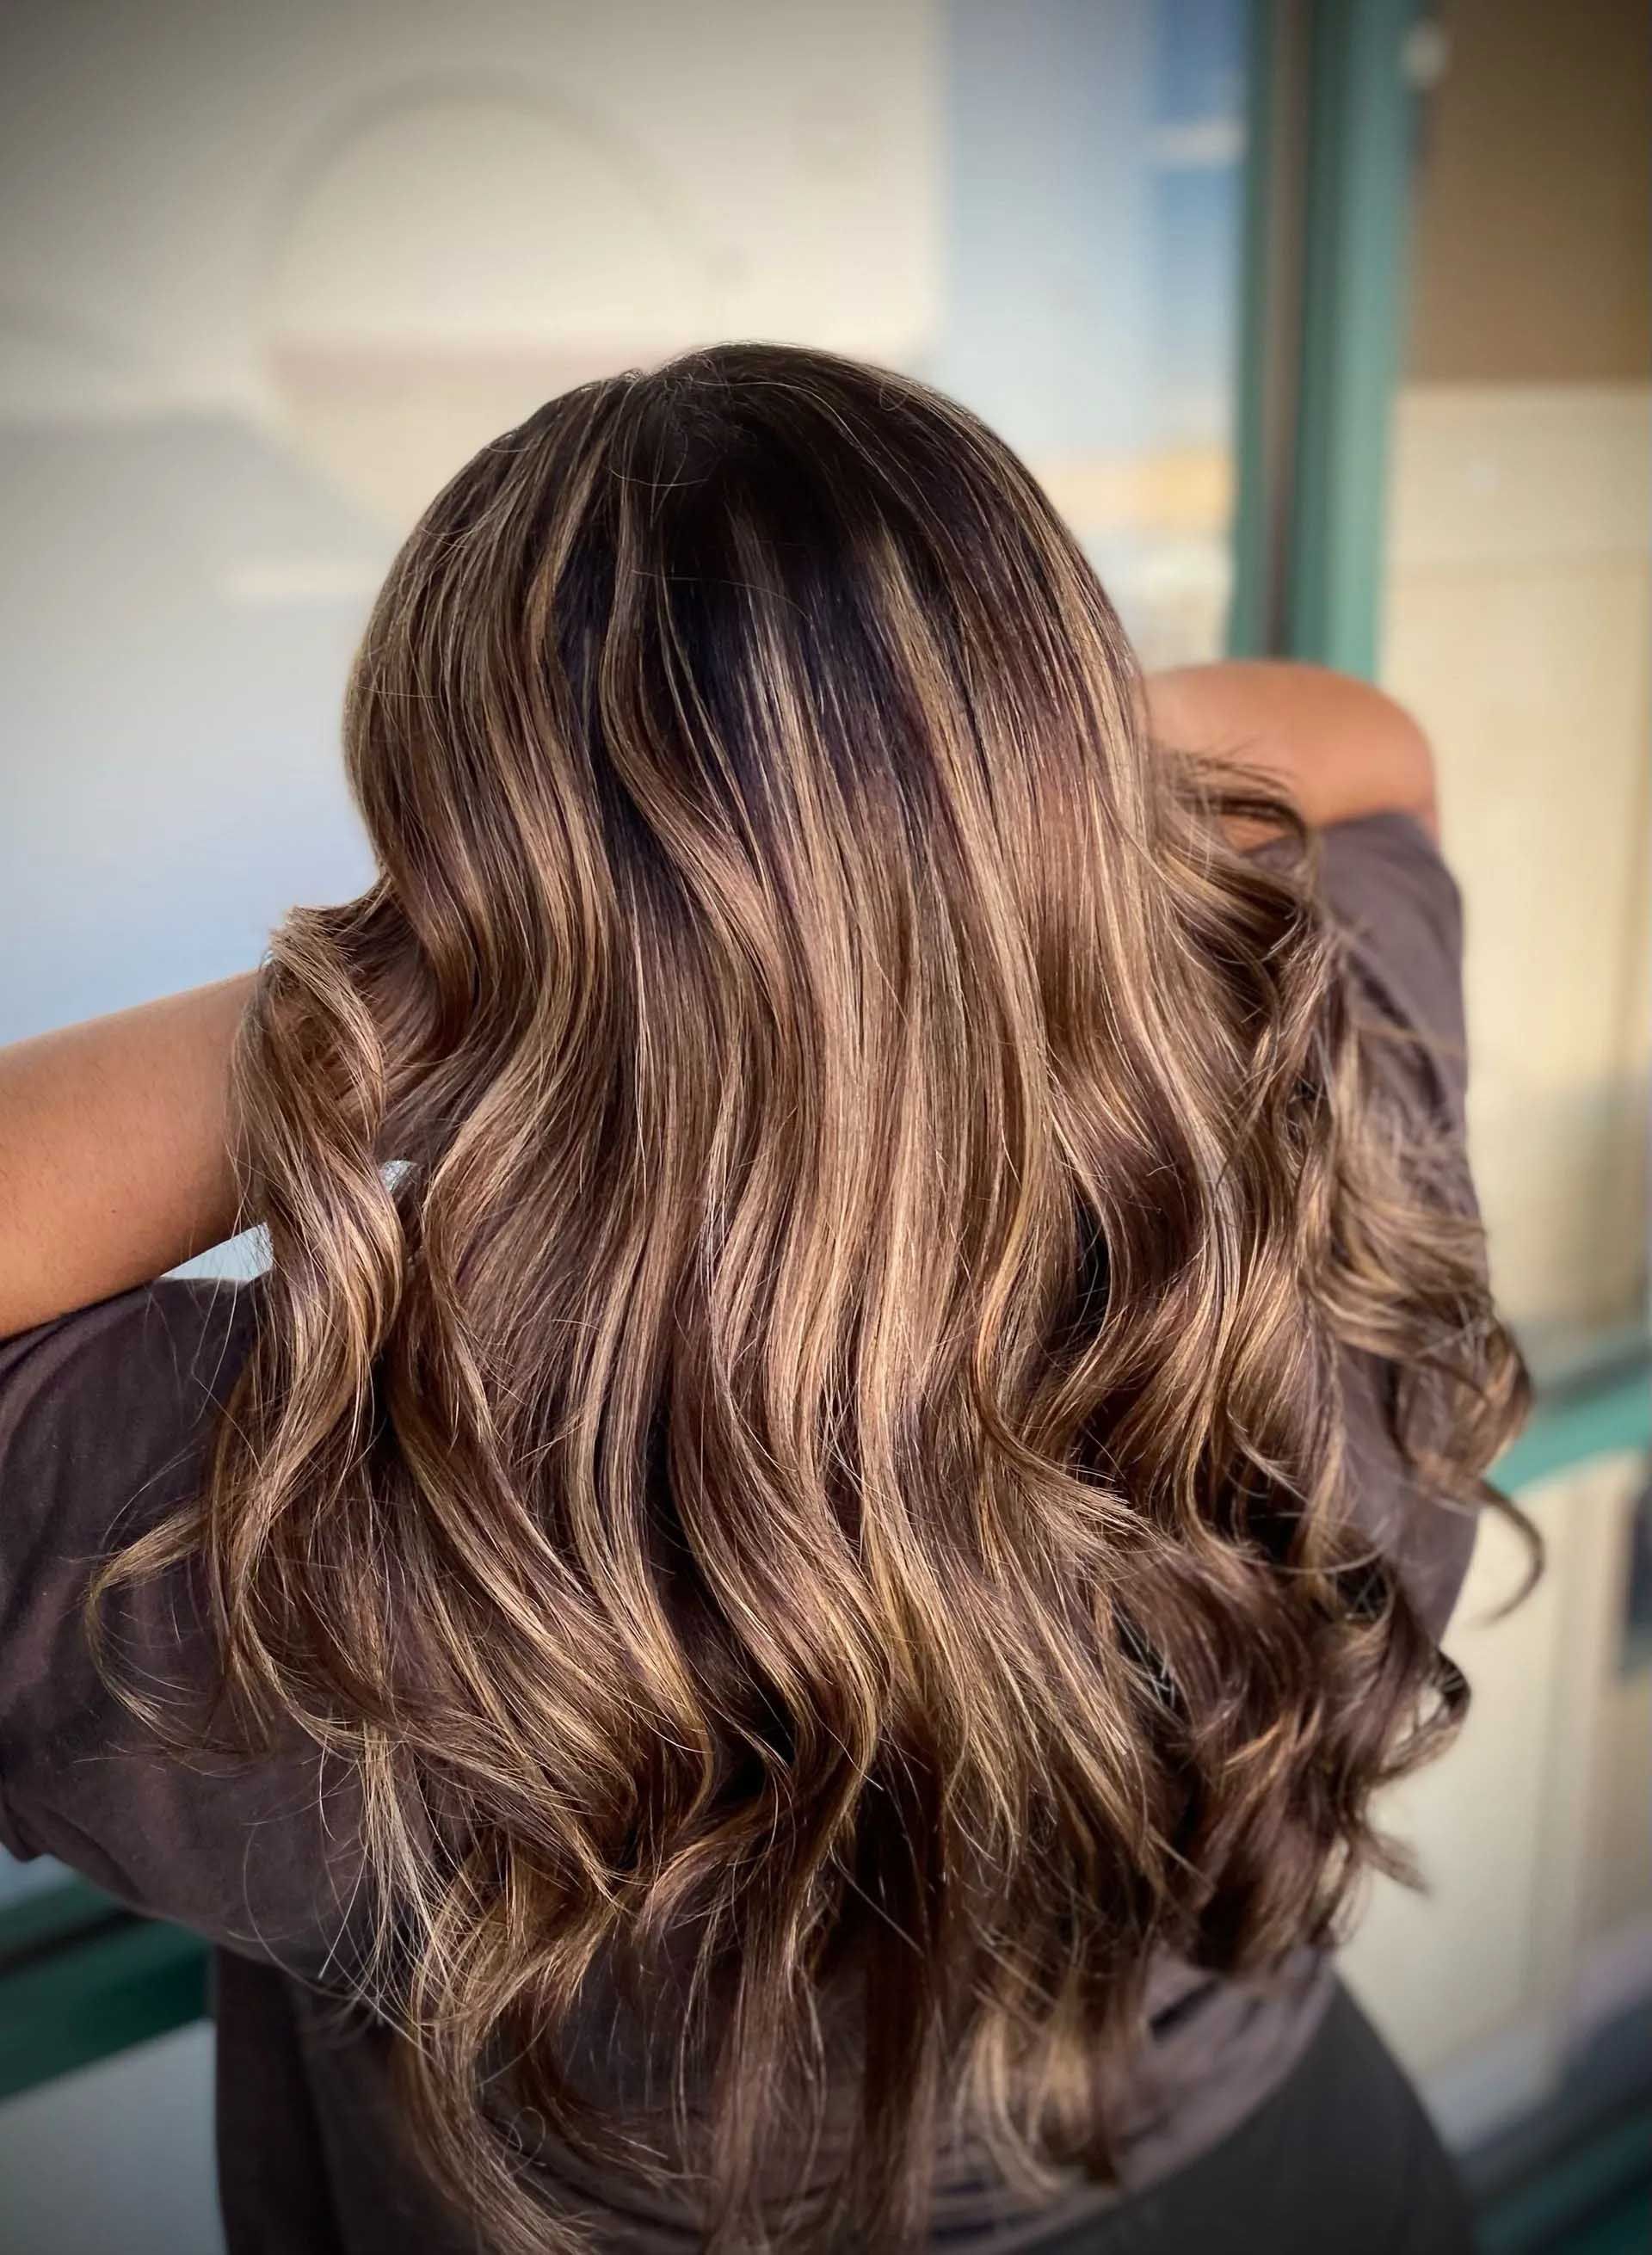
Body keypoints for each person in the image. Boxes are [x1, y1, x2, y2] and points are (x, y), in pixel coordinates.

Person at [0, 343, 1530, 2254]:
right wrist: (944, 808)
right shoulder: (1330, 1172)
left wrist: (439, 982)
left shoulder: (281, 1524)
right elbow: (1359, 742)